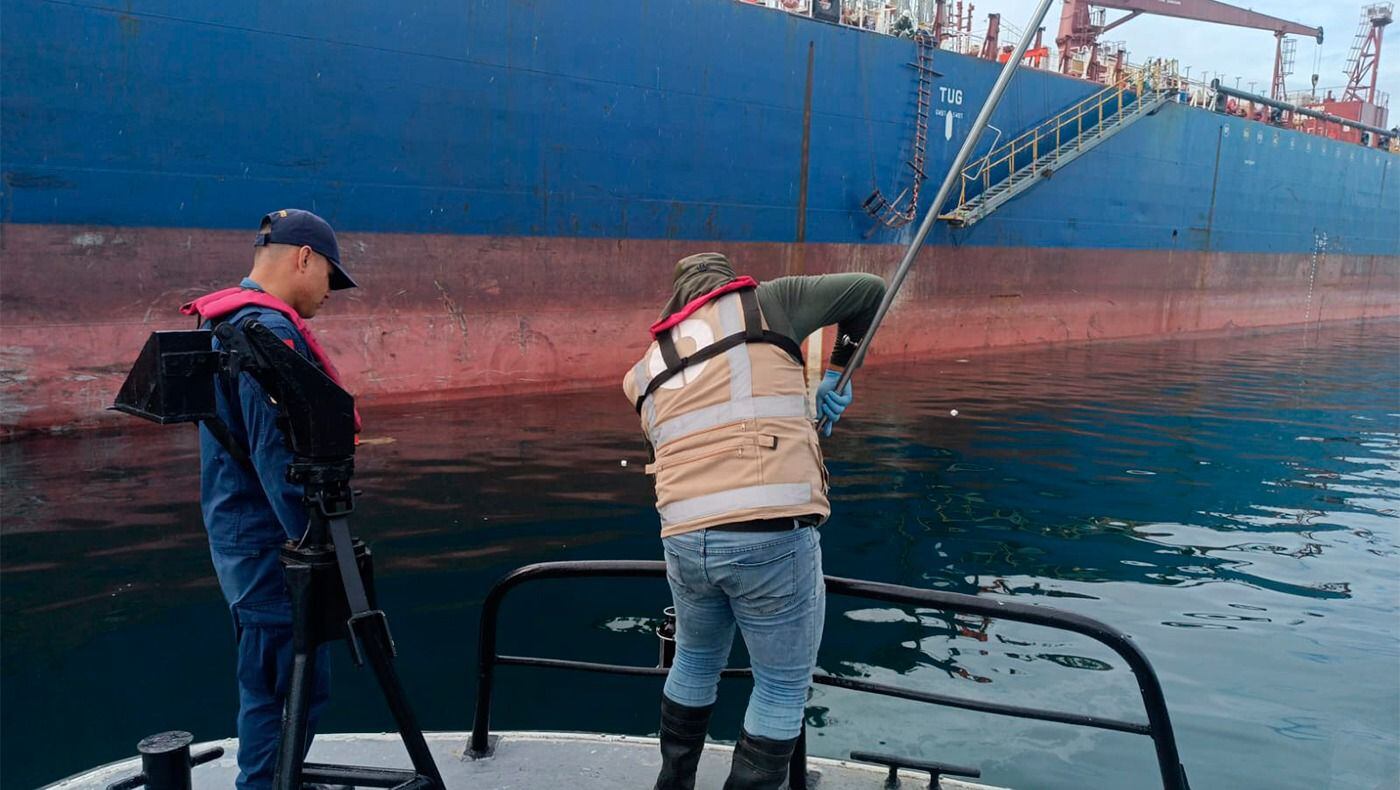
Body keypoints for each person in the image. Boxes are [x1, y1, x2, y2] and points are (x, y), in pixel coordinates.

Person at [623, 253, 886, 790]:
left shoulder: (645, 370)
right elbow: (869, 291)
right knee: (781, 687)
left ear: (680, 300)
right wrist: (833, 375)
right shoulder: (769, 303)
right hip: (768, 538)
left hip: (683, 540)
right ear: (725, 284)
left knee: (694, 661)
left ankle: (673, 783)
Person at [180, 209, 359, 789]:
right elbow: (276, 454)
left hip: (244, 537)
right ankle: (264, 785)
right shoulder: (267, 332)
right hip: (271, 548)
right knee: (281, 685)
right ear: (303, 257)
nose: (331, 291)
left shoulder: (226, 324)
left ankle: (283, 778)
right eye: (330, 274)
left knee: (292, 682)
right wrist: (321, 542)